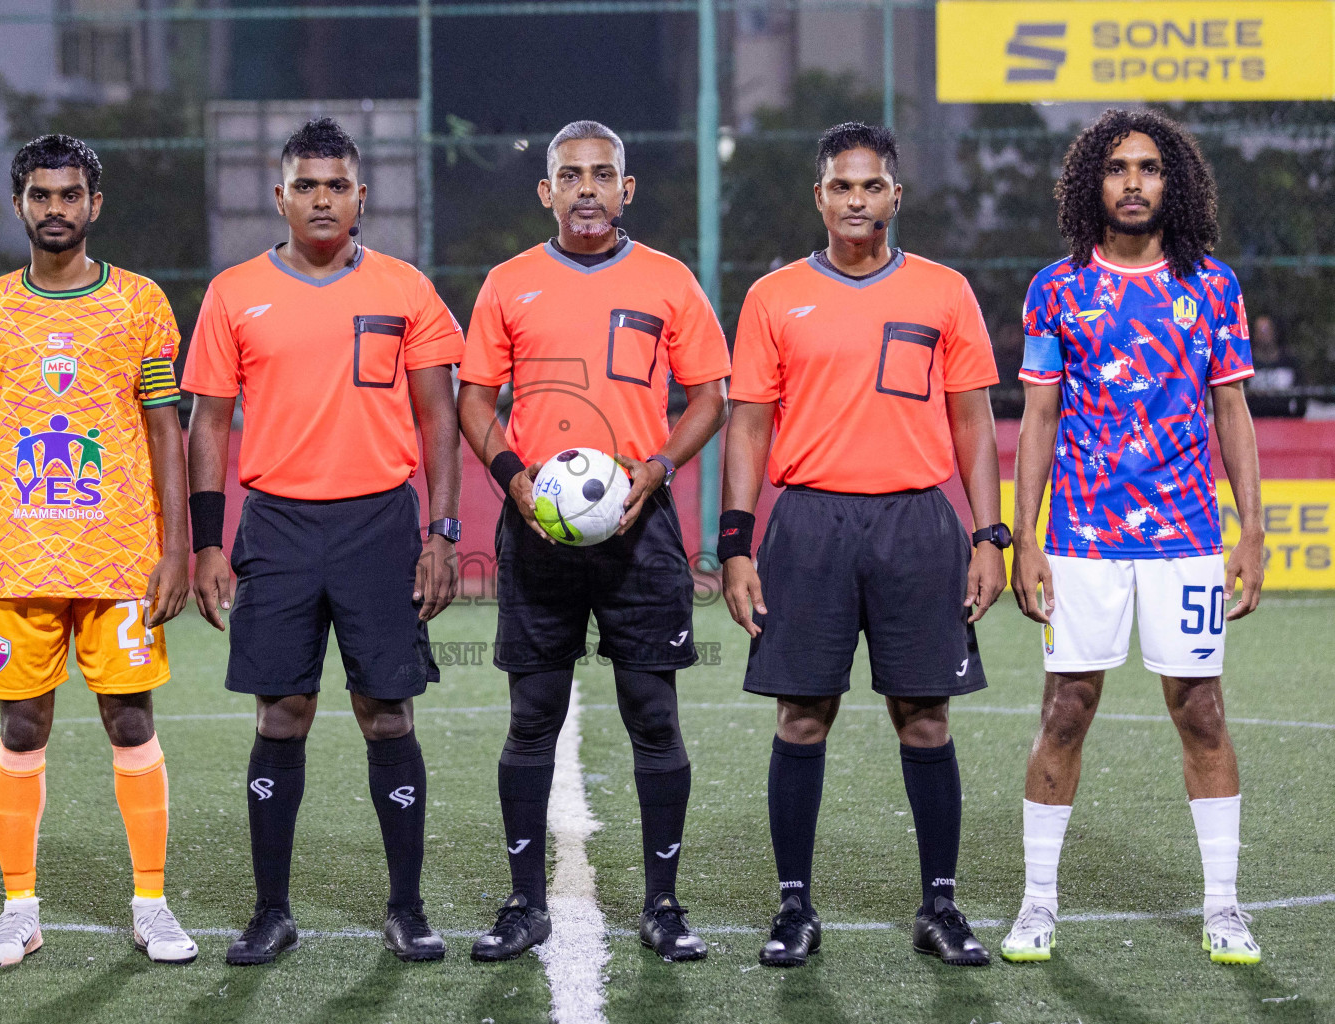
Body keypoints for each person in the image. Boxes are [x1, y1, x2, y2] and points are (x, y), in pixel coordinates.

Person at [721, 122, 1006, 968]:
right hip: (808, 523)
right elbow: (748, 428)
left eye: (871, 186)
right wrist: (737, 544)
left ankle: (941, 907)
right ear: (820, 197)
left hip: (919, 523)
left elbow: (974, 425)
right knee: (802, 714)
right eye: (841, 187)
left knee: (925, 716)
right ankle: (794, 909)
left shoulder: (945, 293)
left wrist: (990, 535)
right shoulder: (773, 297)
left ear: (894, 196)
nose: (856, 200)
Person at [183, 117, 463, 966]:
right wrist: (205, 542)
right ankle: (272, 911)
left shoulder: (407, 288)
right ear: (280, 197)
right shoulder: (234, 293)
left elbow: (439, 416)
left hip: (380, 523)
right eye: (305, 185)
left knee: (387, 713)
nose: (321, 198)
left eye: (336, 184)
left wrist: (442, 531)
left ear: (361, 197)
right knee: (284, 712)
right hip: (277, 525)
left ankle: (406, 908)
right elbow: (209, 424)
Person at [457, 120, 730, 963]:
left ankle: (663, 904)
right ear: (545, 191)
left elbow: (711, 397)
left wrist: (656, 467)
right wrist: (513, 478)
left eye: (601, 175)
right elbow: (474, 401)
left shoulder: (669, 281)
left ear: (626, 189)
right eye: (569, 175)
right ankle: (523, 902)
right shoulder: (508, 284)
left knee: (654, 714)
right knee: (531, 717)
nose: (586, 189)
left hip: (640, 529)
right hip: (536, 527)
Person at [1001, 109, 1264, 966]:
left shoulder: (1214, 287)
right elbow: (1037, 420)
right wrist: (1025, 537)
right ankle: (1039, 905)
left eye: (1150, 167)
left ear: (1172, 182)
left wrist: (1250, 531)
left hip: (1186, 535)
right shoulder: (1057, 288)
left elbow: (1233, 412)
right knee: (1065, 710)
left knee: (1202, 710)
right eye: (1117, 167)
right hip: (1081, 538)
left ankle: (1223, 907)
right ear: (1093, 183)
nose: (1134, 181)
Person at [0, 133, 196, 967]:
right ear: (18, 205)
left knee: (130, 718)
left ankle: (151, 903)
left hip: (120, 558)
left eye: (70, 194)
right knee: (21, 727)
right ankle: (19, 908)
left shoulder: (141, 301)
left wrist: (176, 549)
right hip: (18, 561)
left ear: (95, 204)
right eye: (41, 195)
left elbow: (167, 430)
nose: (57, 208)